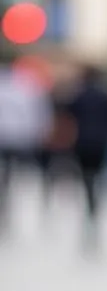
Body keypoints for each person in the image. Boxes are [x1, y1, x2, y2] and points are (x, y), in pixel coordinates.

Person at [64, 63, 107, 250]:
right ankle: (94, 204)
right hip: (102, 143)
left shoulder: (79, 95)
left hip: (82, 143)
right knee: (97, 175)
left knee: (86, 177)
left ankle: (91, 203)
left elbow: (68, 115)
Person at [0, 54, 54, 235]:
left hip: (11, 137)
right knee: (13, 176)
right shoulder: (27, 84)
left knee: (9, 177)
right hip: (20, 137)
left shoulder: (26, 84)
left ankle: (6, 207)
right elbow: (39, 113)